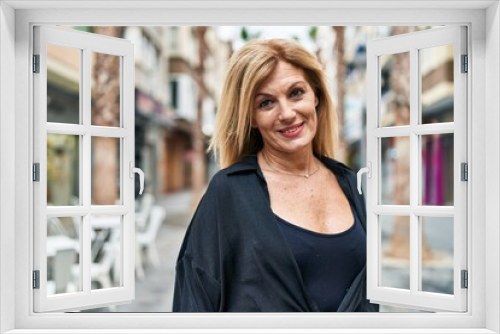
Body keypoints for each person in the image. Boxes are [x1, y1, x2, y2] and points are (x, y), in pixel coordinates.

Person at [173, 38, 378, 312]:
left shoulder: (353, 185)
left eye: (296, 93)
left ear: (315, 95)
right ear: (251, 118)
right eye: (267, 103)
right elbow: (194, 301)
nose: (287, 113)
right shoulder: (230, 191)